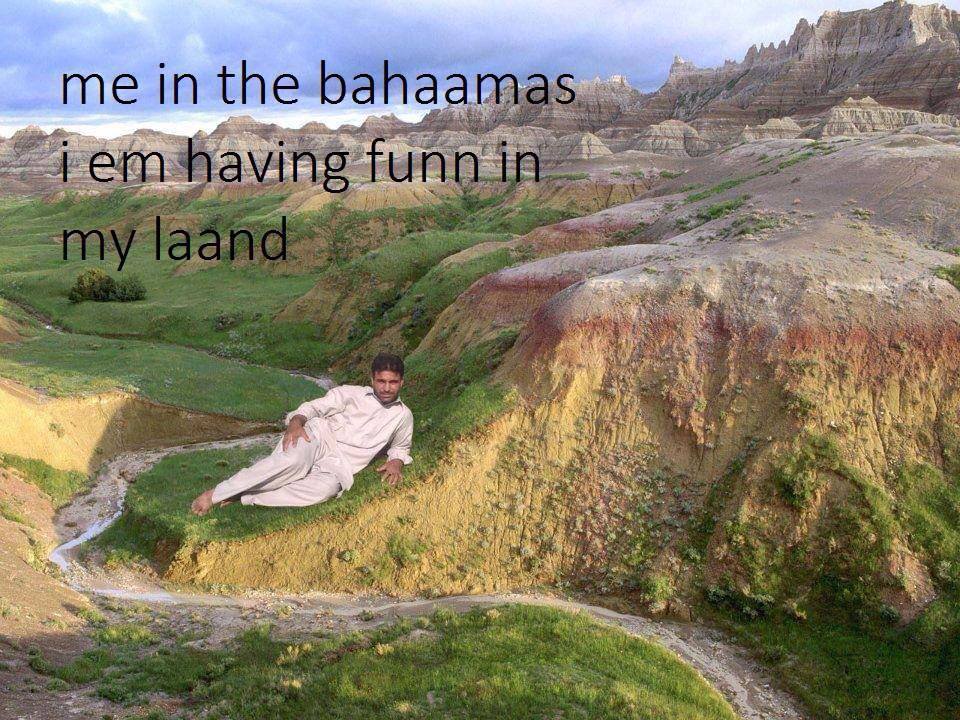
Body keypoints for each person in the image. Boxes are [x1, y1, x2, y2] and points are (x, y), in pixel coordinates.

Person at [190, 353, 413, 515]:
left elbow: (401, 446)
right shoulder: (350, 393)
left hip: (340, 463)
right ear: (372, 380)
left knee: (324, 490)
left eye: (393, 382)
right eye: (381, 381)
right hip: (319, 437)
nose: (386, 388)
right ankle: (215, 494)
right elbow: (314, 408)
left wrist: (396, 462)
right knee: (292, 463)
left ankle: (246, 495)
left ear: (401, 382)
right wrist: (296, 422)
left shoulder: (403, 416)